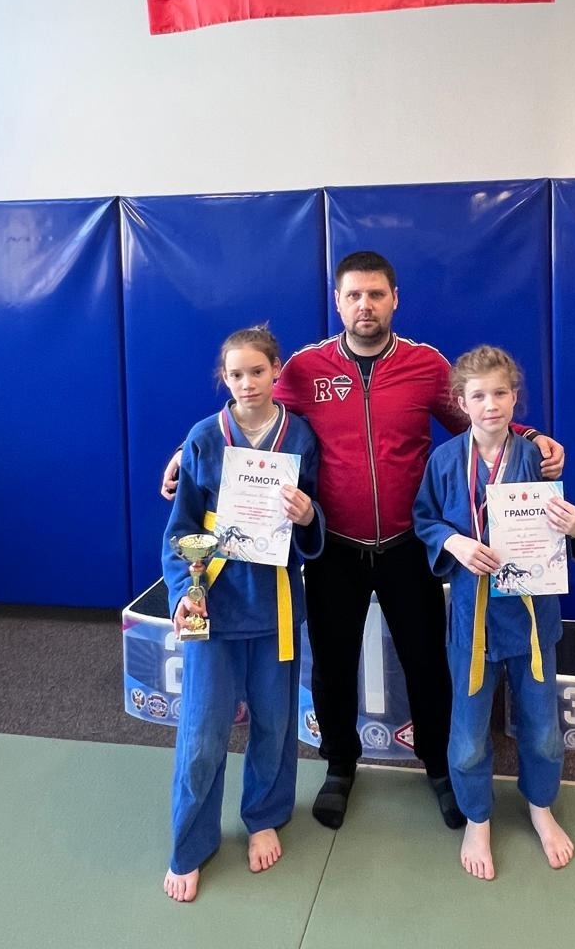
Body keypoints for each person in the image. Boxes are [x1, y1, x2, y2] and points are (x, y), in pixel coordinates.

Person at [162, 252, 564, 833]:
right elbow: (248, 404)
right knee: (332, 664)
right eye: (353, 295)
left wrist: (535, 437)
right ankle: (339, 766)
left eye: (376, 294)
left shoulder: (425, 365)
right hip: (334, 546)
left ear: (394, 298)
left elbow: (478, 417)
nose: (365, 305)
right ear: (338, 301)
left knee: (427, 663)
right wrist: (185, 451)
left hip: (408, 543)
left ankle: (439, 767)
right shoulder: (306, 368)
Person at [412, 345, 575, 882]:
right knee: (468, 737)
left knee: (542, 730)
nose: (490, 405)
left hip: (533, 618)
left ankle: (541, 807)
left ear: (516, 398)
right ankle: (477, 818)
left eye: (500, 393)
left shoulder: (539, 457)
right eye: (479, 395)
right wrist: (455, 543)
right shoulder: (445, 461)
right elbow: (424, 519)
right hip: (472, 621)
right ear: (460, 402)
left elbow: (562, 527)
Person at [161, 326, 324, 903]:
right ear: (223, 379)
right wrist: (182, 591)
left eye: (257, 371)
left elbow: (315, 518)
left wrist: (308, 515)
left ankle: (263, 817)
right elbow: (181, 528)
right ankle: (190, 844)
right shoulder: (204, 437)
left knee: (275, 725)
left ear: (277, 370)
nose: (248, 383)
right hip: (213, 602)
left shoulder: (299, 435)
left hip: (274, 603)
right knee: (203, 734)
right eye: (236, 374)